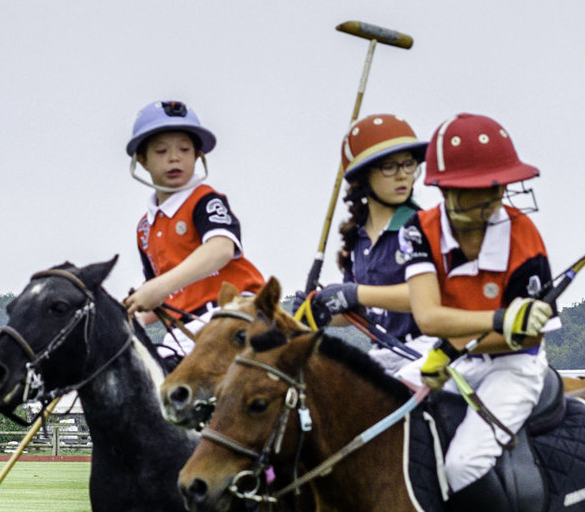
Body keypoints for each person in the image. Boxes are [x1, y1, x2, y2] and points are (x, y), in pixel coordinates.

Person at [410, 112, 557, 512]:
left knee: (464, 463)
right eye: (478, 190)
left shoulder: (524, 235)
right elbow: (427, 315)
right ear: (446, 192)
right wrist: (495, 321)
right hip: (451, 355)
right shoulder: (418, 230)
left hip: (512, 367)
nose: (493, 198)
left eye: (498, 186)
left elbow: (518, 341)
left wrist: (514, 328)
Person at [122, 99, 266, 367]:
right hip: (184, 330)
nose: (174, 157)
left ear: (198, 156)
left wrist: (158, 287)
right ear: (142, 160)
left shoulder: (205, 200)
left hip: (234, 313)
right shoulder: (144, 228)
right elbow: (162, 298)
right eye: (162, 151)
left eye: (185, 150)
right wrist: (132, 315)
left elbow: (221, 248)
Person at [298, 113, 437, 379]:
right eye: (389, 167)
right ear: (363, 177)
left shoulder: (422, 227)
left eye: (408, 165)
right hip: (383, 351)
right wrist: (319, 310)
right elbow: (358, 312)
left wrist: (355, 293)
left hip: (428, 348)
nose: (402, 176)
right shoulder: (358, 239)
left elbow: (426, 298)